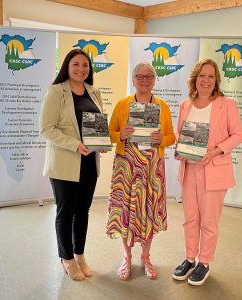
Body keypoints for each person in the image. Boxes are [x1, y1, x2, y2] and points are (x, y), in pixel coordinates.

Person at [172, 58, 242, 286]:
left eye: (211, 76)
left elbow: (238, 135)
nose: (206, 80)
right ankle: (189, 258)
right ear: (195, 78)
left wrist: (215, 151)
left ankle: (204, 262)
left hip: (214, 170)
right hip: (189, 169)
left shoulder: (226, 104)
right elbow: (179, 136)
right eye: (202, 75)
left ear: (216, 80)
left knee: (209, 222)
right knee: (190, 219)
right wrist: (179, 149)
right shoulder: (186, 104)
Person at [106, 62, 176, 280]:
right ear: (133, 79)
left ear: (154, 80)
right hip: (126, 166)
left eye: (149, 76)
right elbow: (109, 133)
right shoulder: (122, 104)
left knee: (148, 210)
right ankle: (126, 258)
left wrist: (161, 139)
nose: (144, 80)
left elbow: (172, 137)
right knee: (126, 211)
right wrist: (121, 135)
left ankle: (145, 257)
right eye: (140, 76)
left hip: (152, 167)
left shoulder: (163, 106)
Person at [39, 49, 103, 281]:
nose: (81, 69)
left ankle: (80, 255)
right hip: (65, 163)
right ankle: (67, 259)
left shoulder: (94, 91)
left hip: (88, 163)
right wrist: (75, 144)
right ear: (67, 66)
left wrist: (100, 143)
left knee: (83, 212)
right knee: (65, 213)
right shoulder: (56, 91)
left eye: (85, 65)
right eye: (76, 64)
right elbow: (47, 128)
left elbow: (97, 126)